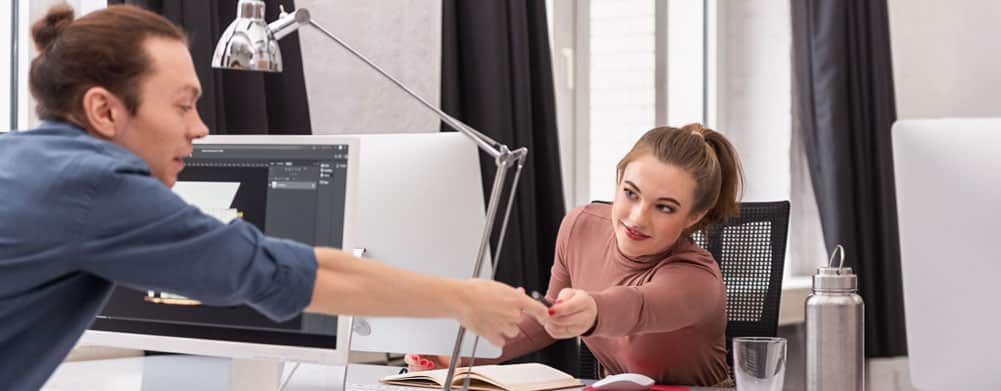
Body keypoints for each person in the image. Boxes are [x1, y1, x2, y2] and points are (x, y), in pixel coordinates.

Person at [0, 5, 547, 390]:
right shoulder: (100, 186)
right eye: (182, 105)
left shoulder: (18, 157)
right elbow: (281, 273)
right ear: (104, 110)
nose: (201, 129)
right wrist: (462, 299)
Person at [408, 124, 743, 387]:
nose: (638, 217)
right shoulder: (581, 226)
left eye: (665, 207)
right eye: (630, 193)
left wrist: (592, 309)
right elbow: (547, 321)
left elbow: (637, 305)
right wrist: (461, 356)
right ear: (618, 180)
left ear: (694, 217)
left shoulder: (698, 278)